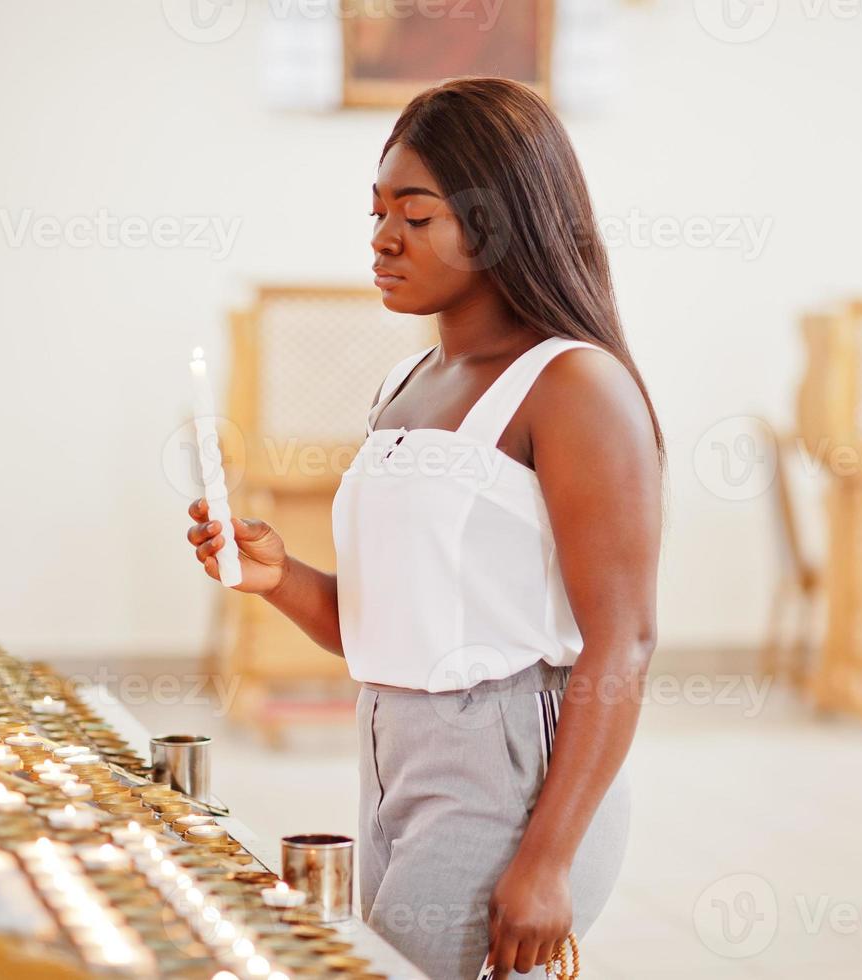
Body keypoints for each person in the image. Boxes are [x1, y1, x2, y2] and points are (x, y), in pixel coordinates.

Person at [186, 76, 664, 979]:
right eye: (375, 212)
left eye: (415, 214)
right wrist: (277, 575)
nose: (381, 239)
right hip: (391, 752)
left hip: (510, 772)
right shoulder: (402, 389)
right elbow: (388, 635)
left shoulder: (571, 386)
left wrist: (548, 859)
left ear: (497, 223)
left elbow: (624, 641)